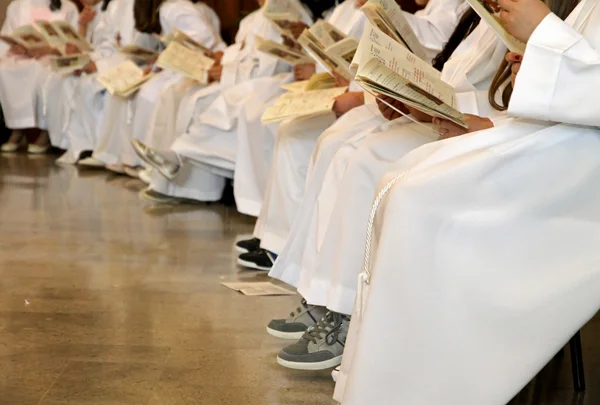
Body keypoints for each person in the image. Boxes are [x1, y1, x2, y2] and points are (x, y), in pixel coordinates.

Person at [337, 0, 600, 403]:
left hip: (581, 175)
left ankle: (432, 383)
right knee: (402, 178)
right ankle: (402, 373)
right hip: (560, 144)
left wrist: (545, 32)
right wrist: (535, 62)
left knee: (417, 200)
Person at [237, 0, 468, 272]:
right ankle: (283, 241)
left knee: (333, 144)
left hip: (416, 107)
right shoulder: (351, 7)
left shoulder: (459, 9)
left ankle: (308, 258)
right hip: (383, 97)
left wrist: (360, 93)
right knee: (302, 132)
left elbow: (432, 53)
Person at [83, 0, 224, 175]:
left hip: (201, 64)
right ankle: (127, 156)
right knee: (132, 88)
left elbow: (205, 43)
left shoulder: (175, 8)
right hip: (177, 64)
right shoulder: (161, 10)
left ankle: (149, 163)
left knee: (151, 93)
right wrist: (157, 64)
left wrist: (161, 65)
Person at [0, 0, 79, 153]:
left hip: (51, 55)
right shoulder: (17, 5)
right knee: (5, 69)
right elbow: (8, 35)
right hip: (22, 55)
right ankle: (17, 127)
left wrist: (49, 49)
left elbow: (73, 40)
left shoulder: (68, 7)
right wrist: (16, 46)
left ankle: (46, 131)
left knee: (40, 70)